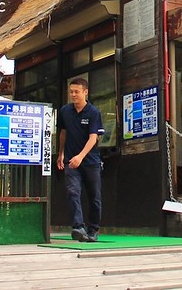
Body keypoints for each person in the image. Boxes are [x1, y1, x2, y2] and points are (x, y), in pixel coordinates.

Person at [57, 77, 104, 242]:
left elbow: (93, 139)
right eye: (71, 92)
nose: (73, 95)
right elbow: (63, 133)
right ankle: (78, 227)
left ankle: (93, 229)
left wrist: (80, 156)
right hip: (71, 161)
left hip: (91, 162)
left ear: (85, 92)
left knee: (94, 197)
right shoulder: (64, 111)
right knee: (72, 192)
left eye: (77, 92)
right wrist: (61, 154)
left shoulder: (93, 112)